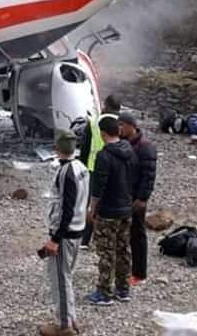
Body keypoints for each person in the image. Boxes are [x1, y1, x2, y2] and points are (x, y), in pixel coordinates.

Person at [38, 131, 88, 336]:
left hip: (65, 234)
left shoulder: (66, 172)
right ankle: (70, 318)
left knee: (60, 279)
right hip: (78, 229)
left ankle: (64, 325)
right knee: (66, 276)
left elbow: (66, 208)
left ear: (57, 148)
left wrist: (55, 239)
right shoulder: (82, 168)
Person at [86, 117, 137, 306]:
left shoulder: (104, 156)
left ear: (103, 133)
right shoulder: (130, 151)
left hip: (108, 210)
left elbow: (98, 187)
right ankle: (123, 289)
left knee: (106, 252)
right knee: (123, 249)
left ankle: (104, 292)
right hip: (126, 208)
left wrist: (92, 208)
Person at [77, 95, 121, 250]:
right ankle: (110, 237)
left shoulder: (94, 122)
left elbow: (85, 147)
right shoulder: (122, 123)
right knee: (111, 202)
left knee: (91, 204)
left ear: (105, 105)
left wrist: (81, 166)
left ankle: (85, 239)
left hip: (93, 167)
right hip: (116, 168)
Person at [117, 113, 156, 285]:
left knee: (137, 234)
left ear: (131, 126)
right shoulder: (123, 143)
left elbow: (149, 175)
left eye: (122, 125)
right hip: (123, 195)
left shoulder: (145, 146)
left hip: (136, 198)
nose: (119, 129)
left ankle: (139, 273)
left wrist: (142, 198)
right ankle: (123, 269)